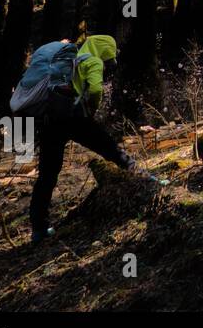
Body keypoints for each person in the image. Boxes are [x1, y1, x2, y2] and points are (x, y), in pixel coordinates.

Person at [28, 33, 154, 244]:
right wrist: (92, 109)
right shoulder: (92, 61)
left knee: (47, 175)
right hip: (74, 118)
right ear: (105, 52)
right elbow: (95, 89)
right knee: (110, 148)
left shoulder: (69, 60)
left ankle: (38, 229)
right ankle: (145, 177)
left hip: (50, 120)